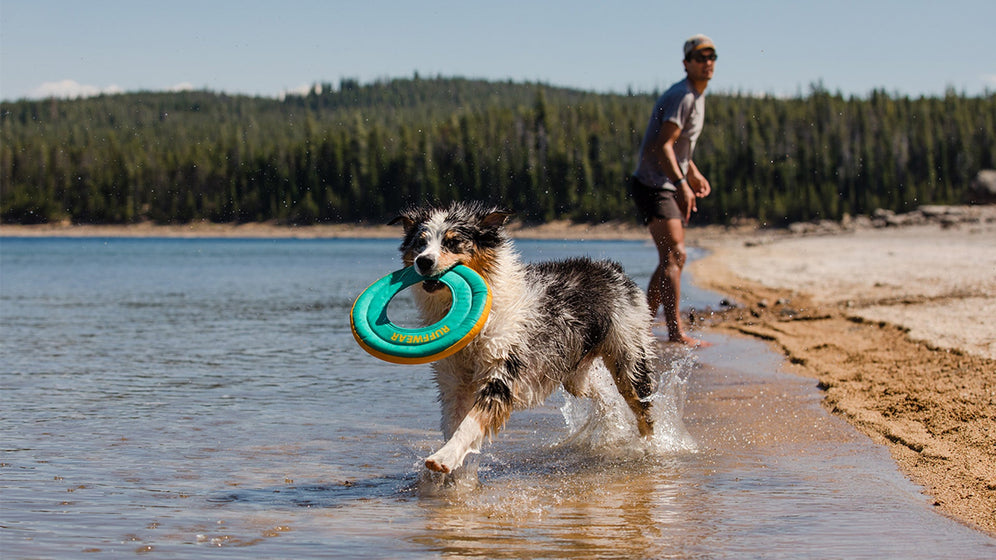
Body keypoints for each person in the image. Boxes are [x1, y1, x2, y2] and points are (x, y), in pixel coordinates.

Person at [629, 34, 717, 346]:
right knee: (675, 254)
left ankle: (639, 327)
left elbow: (679, 149)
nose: (707, 62)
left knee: (671, 256)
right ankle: (675, 331)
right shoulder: (685, 96)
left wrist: (692, 173)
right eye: (700, 57)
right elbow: (661, 146)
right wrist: (681, 184)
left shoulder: (695, 95)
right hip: (654, 184)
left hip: (663, 181)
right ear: (686, 63)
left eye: (711, 57)